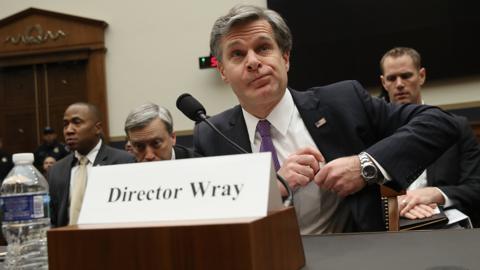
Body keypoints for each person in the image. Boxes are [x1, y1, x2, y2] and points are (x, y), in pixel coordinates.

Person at [193, 5, 460, 234]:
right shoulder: (211, 135)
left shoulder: (343, 103)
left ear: (285, 58)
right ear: (224, 72)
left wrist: (364, 166)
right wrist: (273, 188)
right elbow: (206, 218)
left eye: (263, 48)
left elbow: (438, 122)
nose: (253, 62)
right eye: (237, 54)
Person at [380, 47, 480, 226]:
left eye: (406, 76)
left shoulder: (457, 127)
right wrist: (393, 202)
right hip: (388, 226)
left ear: (422, 76)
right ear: (383, 83)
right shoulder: (374, 133)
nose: (400, 84)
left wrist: (437, 193)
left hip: (443, 223)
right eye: (392, 78)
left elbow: (476, 187)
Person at [48, 102, 136, 227]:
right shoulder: (57, 170)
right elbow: (54, 219)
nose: (69, 130)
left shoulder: (123, 162)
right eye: (65, 124)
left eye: (76, 122)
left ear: (97, 128)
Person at [124, 103, 197, 162]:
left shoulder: (198, 163)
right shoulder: (123, 169)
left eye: (156, 143)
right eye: (139, 146)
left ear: (172, 137)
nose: (149, 156)